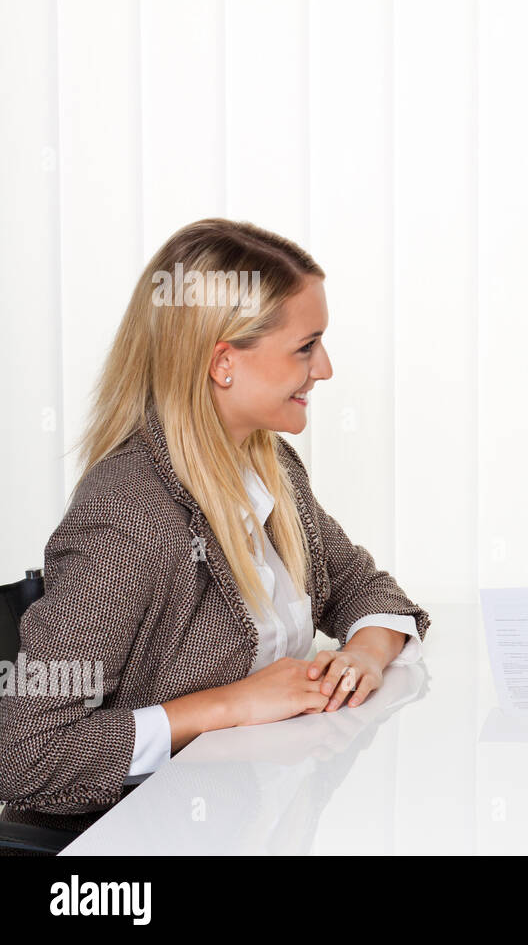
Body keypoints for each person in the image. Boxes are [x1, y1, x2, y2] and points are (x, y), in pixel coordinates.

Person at [0, 219, 428, 831]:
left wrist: (362, 654)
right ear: (223, 362)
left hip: (257, 819)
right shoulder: (129, 512)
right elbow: (26, 755)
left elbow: (368, 590)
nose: (326, 368)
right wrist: (227, 706)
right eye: (306, 346)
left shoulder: (270, 465)